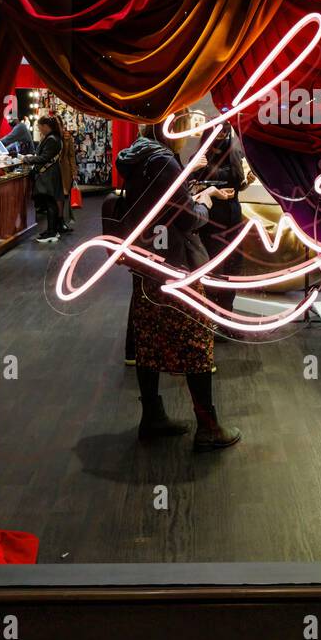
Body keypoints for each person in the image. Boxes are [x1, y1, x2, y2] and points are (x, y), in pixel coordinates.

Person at [116, 121, 241, 450]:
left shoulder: (137, 156)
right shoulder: (164, 161)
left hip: (147, 262)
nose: (187, 137)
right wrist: (204, 204)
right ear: (171, 128)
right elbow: (186, 217)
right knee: (196, 341)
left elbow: (158, 208)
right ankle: (208, 426)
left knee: (149, 338)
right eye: (184, 129)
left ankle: (152, 416)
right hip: (177, 265)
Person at [194, 123, 247, 312]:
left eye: (224, 131)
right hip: (212, 219)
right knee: (215, 268)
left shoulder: (232, 152)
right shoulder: (201, 157)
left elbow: (236, 182)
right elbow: (193, 188)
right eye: (218, 131)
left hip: (230, 217)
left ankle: (224, 314)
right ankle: (214, 315)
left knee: (231, 268)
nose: (222, 135)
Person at [25, 115, 65, 245]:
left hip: (49, 175)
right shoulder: (54, 138)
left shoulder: (52, 139)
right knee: (50, 203)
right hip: (52, 174)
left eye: (39, 127)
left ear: (45, 126)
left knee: (50, 203)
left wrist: (27, 159)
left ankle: (51, 232)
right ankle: (51, 230)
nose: (39, 129)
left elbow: (44, 158)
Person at [58, 121, 79, 233]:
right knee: (57, 196)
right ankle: (58, 222)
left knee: (65, 196)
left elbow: (71, 156)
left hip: (65, 170)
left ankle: (63, 221)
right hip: (55, 169)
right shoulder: (51, 137)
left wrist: (74, 172)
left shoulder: (67, 137)